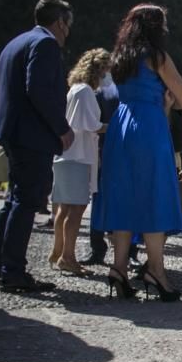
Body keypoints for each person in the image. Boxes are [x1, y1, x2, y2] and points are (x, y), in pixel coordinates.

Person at [91, 4, 182, 301]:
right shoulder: (157, 57)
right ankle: (156, 271)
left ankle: (119, 269)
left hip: (121, 125)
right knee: (154, 194)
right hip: (149, 126)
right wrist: (170, 103)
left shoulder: (119, 59)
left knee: (122, 195)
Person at [0, 0, 75, 293]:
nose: (67, 32)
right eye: (68, 25)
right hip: (32, 134)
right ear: (60, 22)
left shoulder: (16, 42)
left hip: (10, 130)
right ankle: (13, 271)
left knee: (14, 199)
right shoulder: (45, 45)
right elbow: (38, 89)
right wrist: (61, 128)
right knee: (28, 199)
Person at [49, 48, 109, 275]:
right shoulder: (85, 92)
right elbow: (92, 125)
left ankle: (58, 251)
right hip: (80, 156)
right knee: (76, 209)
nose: (105, 77)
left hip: (67, 155)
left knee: (64, 209)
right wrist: (114, 128)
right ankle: (68, 257)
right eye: (104, 71)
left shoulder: (74, 89)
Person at [80, 69, 120, 265]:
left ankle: (125, 251)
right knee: (100, 201)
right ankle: (98, 248)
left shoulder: (117, 89)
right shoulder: (99, 92)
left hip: (115, 150)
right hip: (104, 150)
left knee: (119, 201)